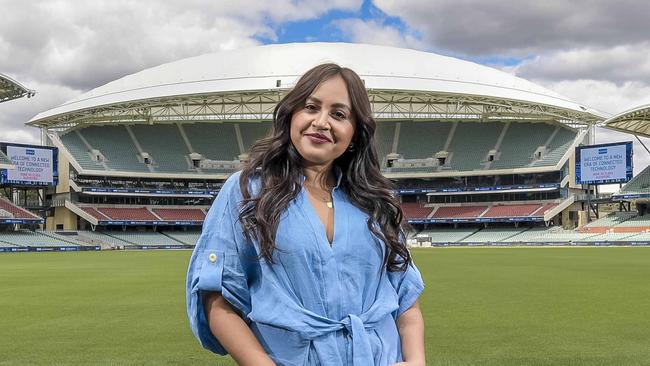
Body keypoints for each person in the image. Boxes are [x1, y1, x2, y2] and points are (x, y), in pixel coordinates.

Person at [186, 63, 425, 366]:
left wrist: (415, 361)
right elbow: (217, 299)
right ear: (291, 115)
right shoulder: (247, 190)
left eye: (339, 114)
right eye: (311, 107)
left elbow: (407, 301)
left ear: (354, 134)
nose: (321, 122)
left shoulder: (376, 201)